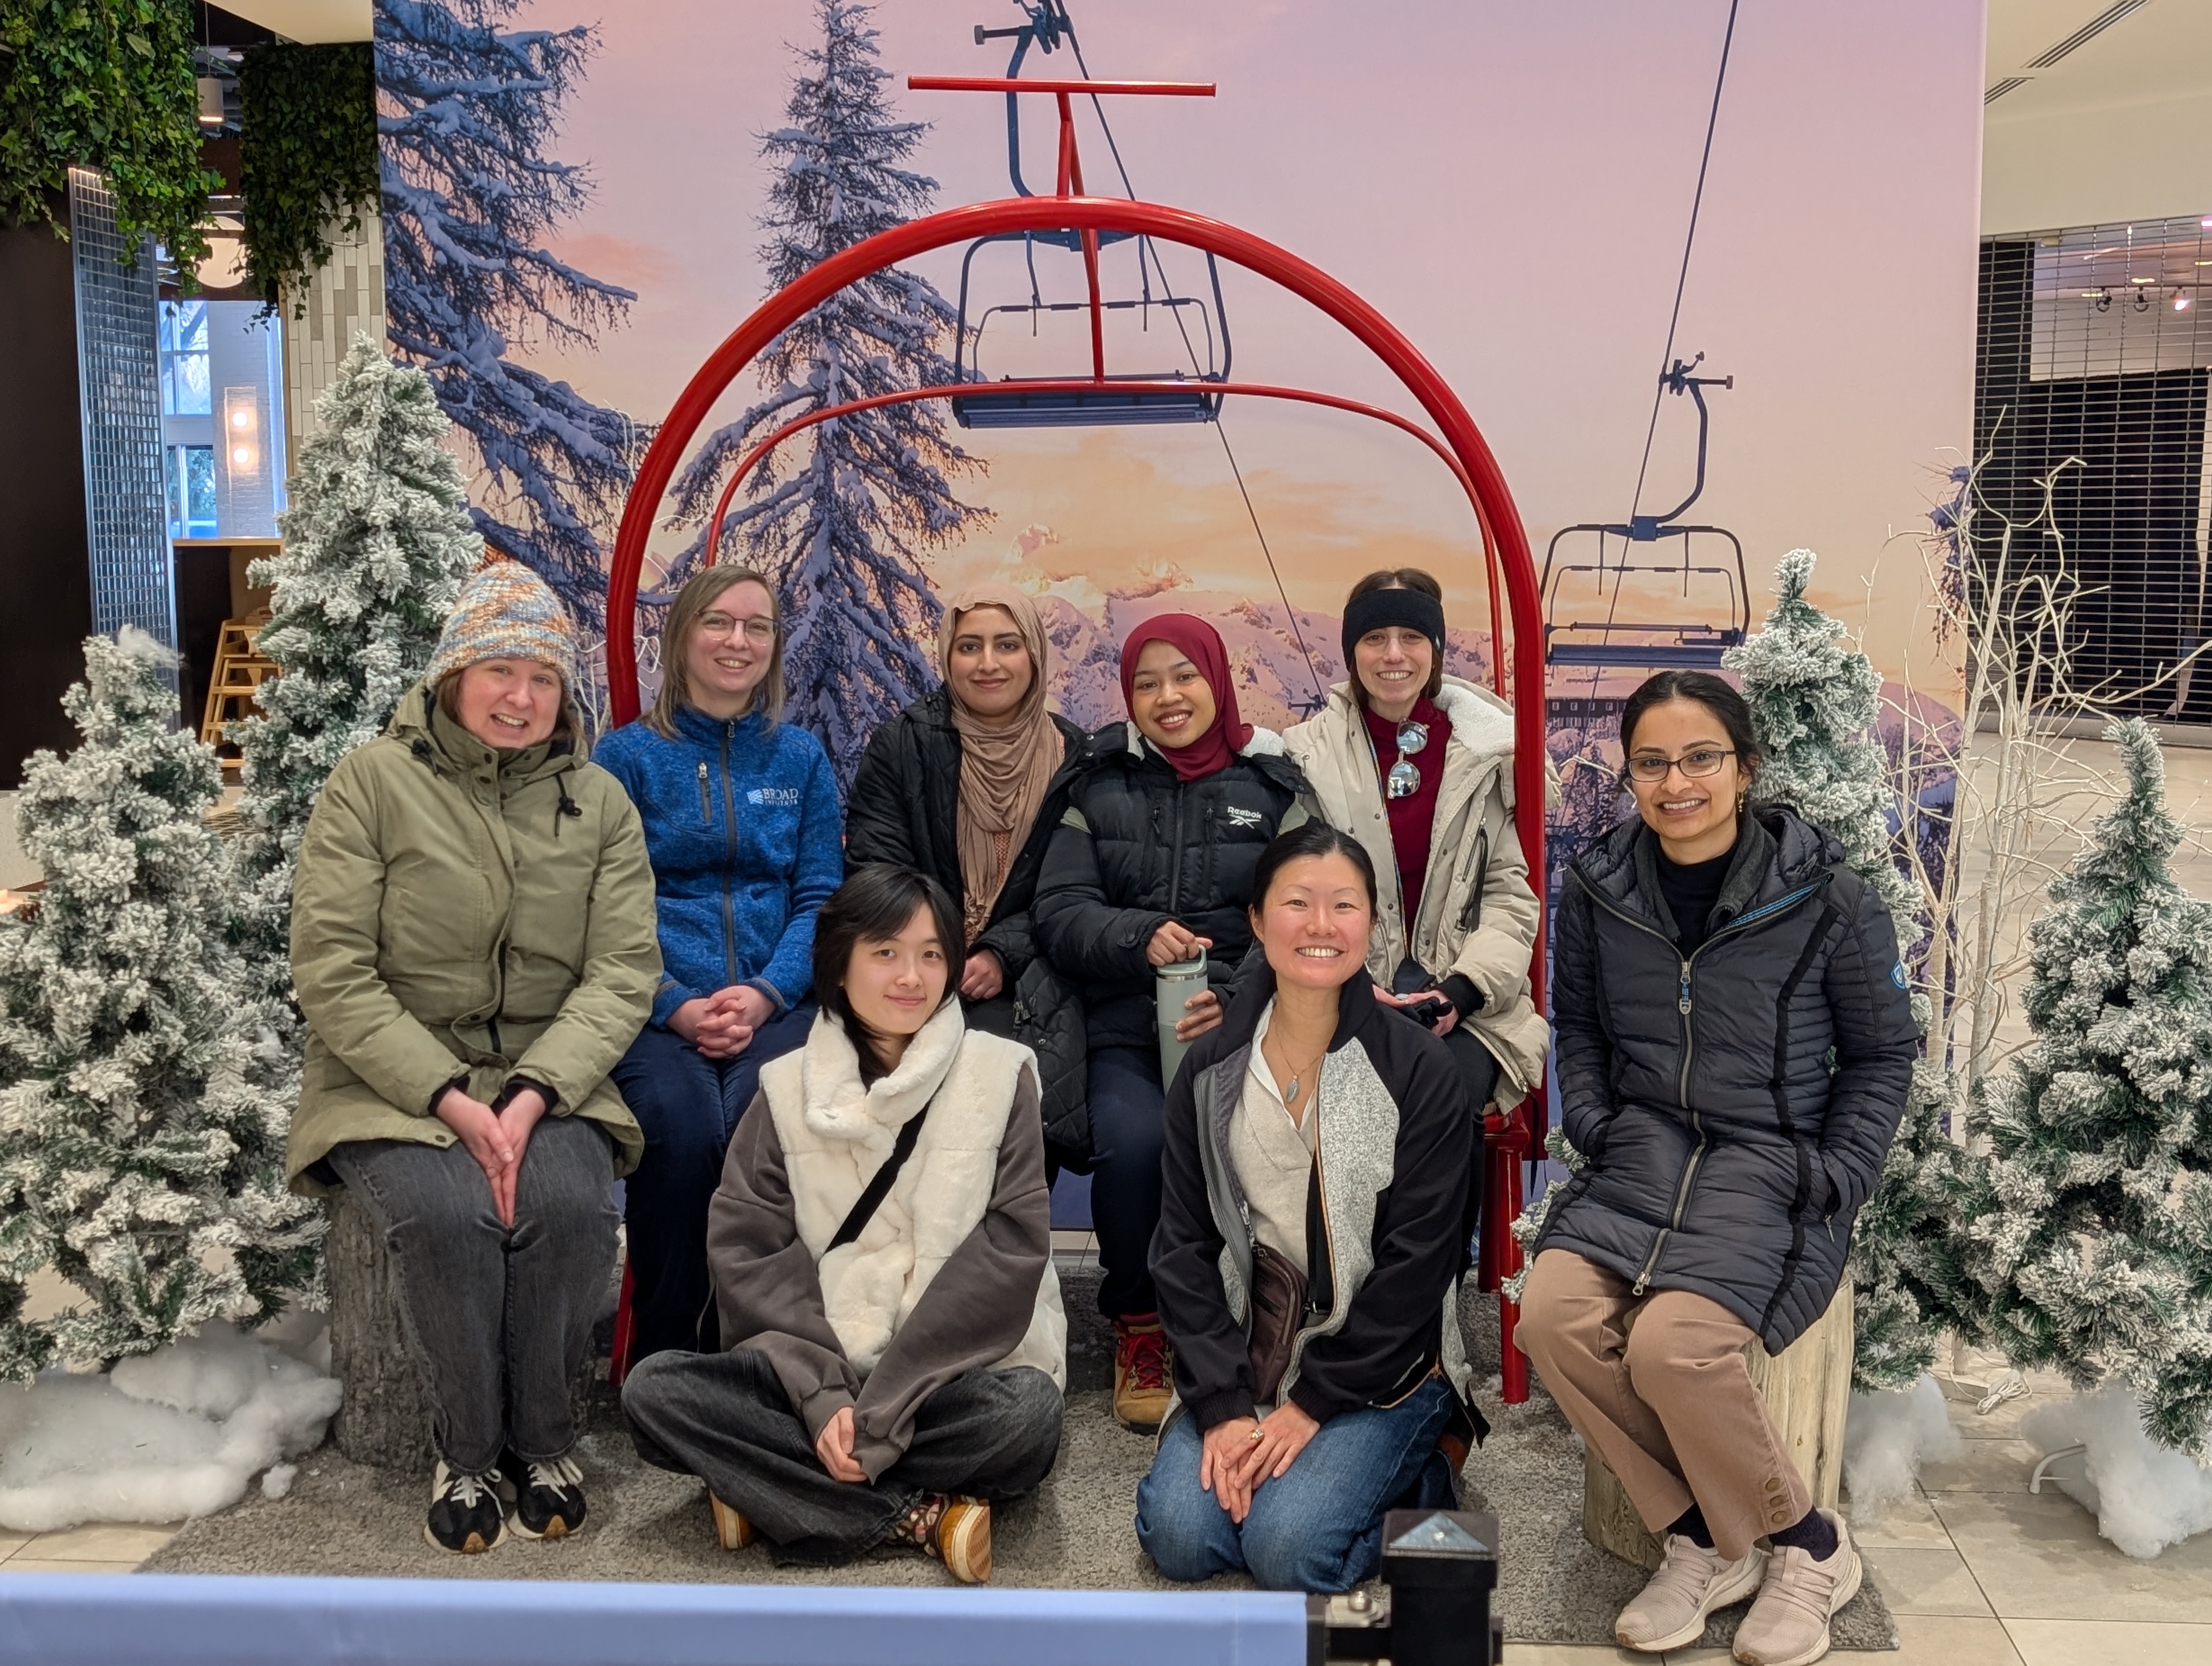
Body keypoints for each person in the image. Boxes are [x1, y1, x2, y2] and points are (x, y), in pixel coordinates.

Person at [1517, 670, 1917, 1665]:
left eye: (1701, 758)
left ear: (1744, 767)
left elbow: (1882, 1053)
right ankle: (1703, 1533)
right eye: (1652, 762)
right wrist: (1599, 1120)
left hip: (1772, 1166)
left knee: (1671, 1348)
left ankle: (1809, 1544)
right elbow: (1580, 1025)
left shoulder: (1828, 898)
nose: (1676, 782)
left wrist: (1840, 1170)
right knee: (1551, 1319)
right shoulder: (1601, 890)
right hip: (1642, 1154)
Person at [286, 562, 661, 1555]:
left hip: (550, 1072)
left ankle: (543, 1439)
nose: (521, 697)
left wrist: (535, 1094)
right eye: (500, 670)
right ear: (453, 675)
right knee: (446, 1215)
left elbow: (623, 968)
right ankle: (466, 1449)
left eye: (542, 678)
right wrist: (451, 1100)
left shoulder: (600, 801)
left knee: (570, 1210)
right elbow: (332, 965)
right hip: (391, 1078)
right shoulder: (372, 783)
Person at [621, 864, 1065, 1584]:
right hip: (811, 1371)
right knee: (654, 1392)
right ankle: (923, 1516)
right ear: (841, 964)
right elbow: (751, 1252)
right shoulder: (785, 1086)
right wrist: (826, 1396)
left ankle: (768, 1491)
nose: (911, 977)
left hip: (945, 1374)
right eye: (885, 952)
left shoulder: (1003, 1071)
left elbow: (1008, 1251)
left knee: (1028, 1419)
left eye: (931, 954)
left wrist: (885, 1408)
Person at [1134, 822, 1478, 1593]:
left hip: (1381, 1365)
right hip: (1249, 1356)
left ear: (1372, 923)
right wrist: (1225, 1408)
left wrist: (1312, 1405)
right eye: (1297, 903)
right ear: (1257, 921)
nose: (1322, 926)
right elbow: (1182, 1249)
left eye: (1344, 906)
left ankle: (1426, 1467)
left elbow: (1422, 1265)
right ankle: (1307, 1469)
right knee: (1182, 1539)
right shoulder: (1213, 1067)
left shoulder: (1417, 1069)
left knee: (1289, 1550)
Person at [1031, 614, 1311, 1431]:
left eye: (1184, 676)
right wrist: (1136, 937)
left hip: (1247, 1026)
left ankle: (1257, 1315)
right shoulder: (1100, 786)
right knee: (1138, 1143)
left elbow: (1300, 914)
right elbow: (1059, 910)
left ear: (1218, 681)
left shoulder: (1272, 792)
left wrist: (1239, 993)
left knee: (1265, 1141)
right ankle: (1140, 1323)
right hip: (1122, 1026)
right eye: (1147, 683)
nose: (1168, 697)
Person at [595, 565, 844, 1362]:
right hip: (654, 1006)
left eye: (758, 627)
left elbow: (820, 897)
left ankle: (775, 1349)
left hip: (777, 1001)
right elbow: (603, 905)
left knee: (761, 1121)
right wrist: (672, 1002)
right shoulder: (627, 758)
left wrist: (770, 993)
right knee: (682, 1130)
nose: (739, 642)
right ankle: (670, 1357)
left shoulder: (799, 759)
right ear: (682, 637)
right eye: (719, 623)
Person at [1283, 567, 1549, 1204]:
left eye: (1412, 637)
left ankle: (1426, 1293)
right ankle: (1343, 1282)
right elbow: (1300, 891)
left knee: (1439, 1092)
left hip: (1466, 1001)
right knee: (1342, 1100)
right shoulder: (1309, 756)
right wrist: (1356, 986)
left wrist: (1461, 990)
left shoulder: (1486, 757)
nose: (1394, 656)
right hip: (1346, 992)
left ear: (1435, 650)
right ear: (1352, 651)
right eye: (1375, 638)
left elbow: (1510, 897)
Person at [844, 584, 1085, 1039]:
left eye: (1008, 646)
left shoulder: (1073, 758)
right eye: (970, 646)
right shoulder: (903, 746)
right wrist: (939, 956)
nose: (988, 664)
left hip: (1034, 977)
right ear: (947, 658)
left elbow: (1074, 891)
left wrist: (1002, 953)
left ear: (1034, 655)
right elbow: (875, 871)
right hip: (911, 970)